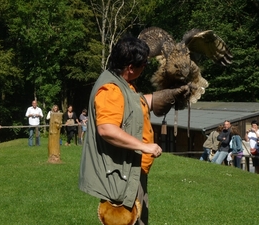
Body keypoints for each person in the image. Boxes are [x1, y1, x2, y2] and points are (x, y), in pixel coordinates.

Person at [79, 36, 192, 225]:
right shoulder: (110, 89)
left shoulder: (123, 83)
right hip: (121, 177)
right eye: (144, 64)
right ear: (131, 67)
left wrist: (169, 95)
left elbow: (134, 105)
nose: (146, 67)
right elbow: (106, 129)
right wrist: (144, 147)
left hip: (131, 171)